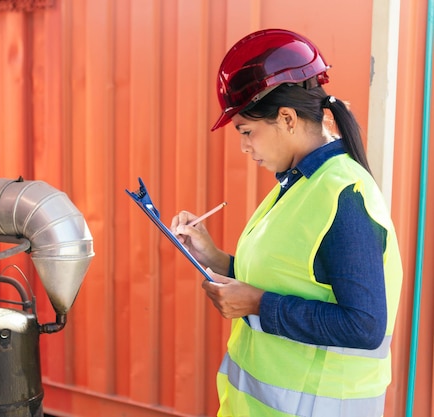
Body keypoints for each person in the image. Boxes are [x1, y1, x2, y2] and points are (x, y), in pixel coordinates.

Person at [171, 29, 403, 417]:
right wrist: (211, 256)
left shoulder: (343, 195)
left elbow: (364, 325)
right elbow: (288, 278)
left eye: (246, 132)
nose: (244, 147)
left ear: (287, 118)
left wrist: (258, 304)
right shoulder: (300, 185)